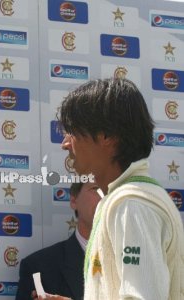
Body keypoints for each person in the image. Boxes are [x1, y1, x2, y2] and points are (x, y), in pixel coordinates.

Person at [53, 78, 184, 300]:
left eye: (73, 132)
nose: (65, 144)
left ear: (106, 136)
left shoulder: (131, 205)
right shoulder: (129, 199)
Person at [16, 181, 102, 300]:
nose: (107, 195)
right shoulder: (38, 269)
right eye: (96, 188)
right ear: (74, 201)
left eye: (115, 187)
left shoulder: (135, 262)